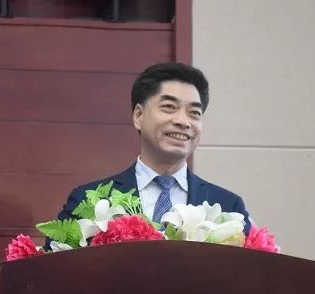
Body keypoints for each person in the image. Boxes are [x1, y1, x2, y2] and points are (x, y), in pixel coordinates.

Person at [53, 62, 251, 235]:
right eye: (169, 107)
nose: (183, 121)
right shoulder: (90, 201)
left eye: (194, 112)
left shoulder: (228, 207)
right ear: (138, 116)